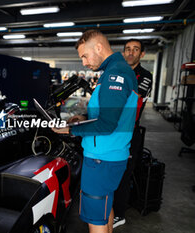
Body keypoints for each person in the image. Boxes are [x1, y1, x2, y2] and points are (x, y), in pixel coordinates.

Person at [52, 30, 138, 233]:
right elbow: (112, 115)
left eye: (84, 56)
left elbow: (107, 125)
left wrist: (69, 129)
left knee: (95, 221)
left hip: (102, 159)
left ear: (98, 47)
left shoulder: (115, 74)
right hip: (111, 156)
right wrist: (82, 119)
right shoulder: (115, 72)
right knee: (104, 210)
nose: (83, 62)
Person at [113, 39, 153, 228]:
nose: (131, 52)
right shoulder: (118, 72)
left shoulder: (145, 76)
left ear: (142, 54)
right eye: (128, 49)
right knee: (111, 170)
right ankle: (110, 208)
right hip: (112, 129)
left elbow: (133, 103)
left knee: (124, 173)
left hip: (129, 132)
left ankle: (119, 214)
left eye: (135, 49)